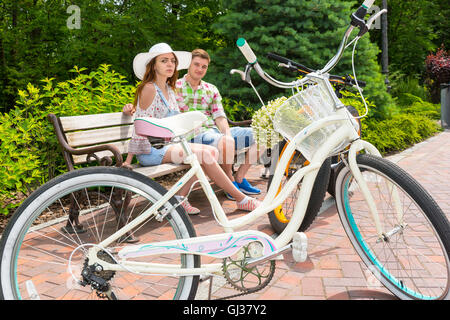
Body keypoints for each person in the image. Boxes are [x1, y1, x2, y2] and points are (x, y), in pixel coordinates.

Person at [123, 43, 260, 214]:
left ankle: (180, 199)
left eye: (172, 61)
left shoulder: (168, 89)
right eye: (163, 61)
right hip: (150, 150)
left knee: (211, 152)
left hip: (167, 145)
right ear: (153, 65)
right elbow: (139, 125)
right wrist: (129, 160)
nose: (170, 64)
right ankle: (242, 199)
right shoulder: (149, 88)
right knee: (204, 154)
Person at [175, 49, 264, 200]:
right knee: (225, 140)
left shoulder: (211, 89)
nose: (200, 69)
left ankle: (240, 178)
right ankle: (229, 182)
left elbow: (220, 117)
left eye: (204, 66)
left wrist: (227, 135)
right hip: (194, 136)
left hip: (215, 132)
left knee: (267, 135)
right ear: (188, 65)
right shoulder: (174, 87)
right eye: (196, 65)